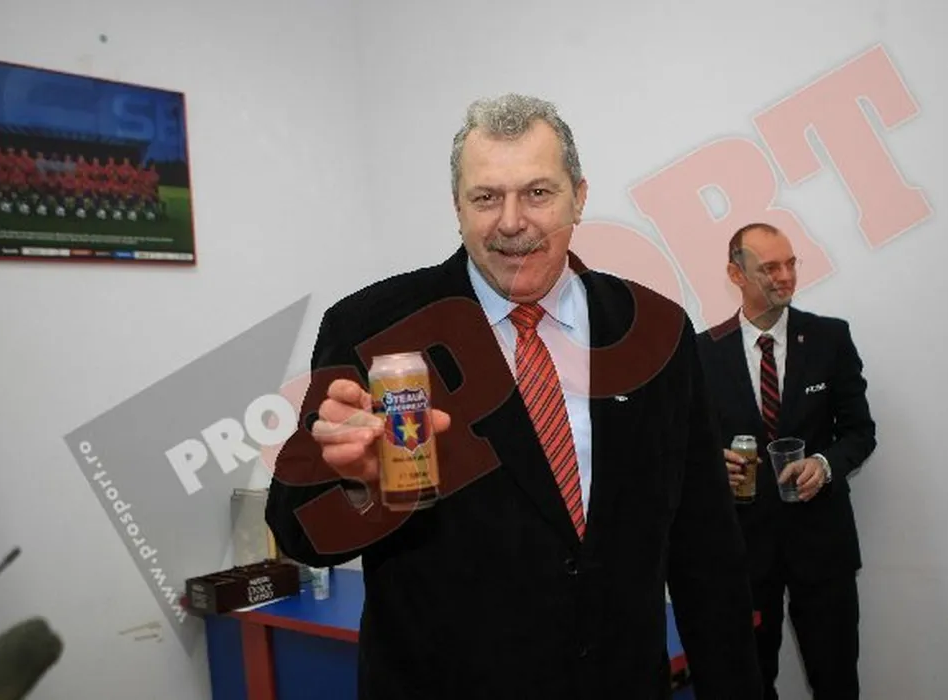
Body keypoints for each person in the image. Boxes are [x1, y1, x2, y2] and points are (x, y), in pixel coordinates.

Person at [265, 93, 762, 699]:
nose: (510, 222)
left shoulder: (655, 329)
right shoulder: (373, 329)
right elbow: (298, 533)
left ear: (579, 197)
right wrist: (357, 486)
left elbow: (705, 544)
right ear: (457, 207)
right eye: (486, 198)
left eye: (537, 193)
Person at [695, 223, 877, 699]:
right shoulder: (701, 352)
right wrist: (711, 465)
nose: (786, 277)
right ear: (736, 274)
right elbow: (681, 446)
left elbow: (860, 432)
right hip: (742, 551)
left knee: (836, 680)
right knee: (748, 683)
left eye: (791, 263)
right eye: (769, 268)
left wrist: (825, 464)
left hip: (823, 546)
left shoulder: (830, 338)